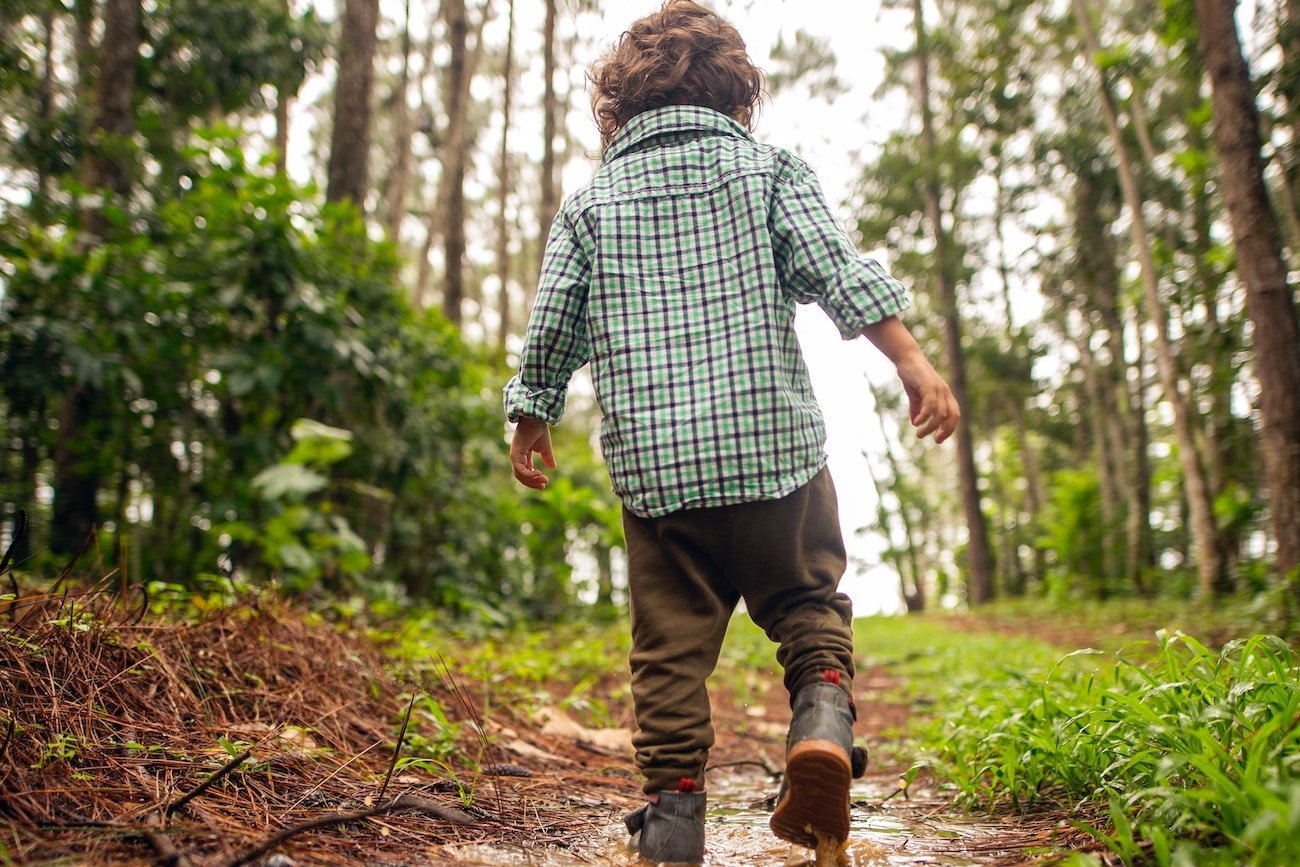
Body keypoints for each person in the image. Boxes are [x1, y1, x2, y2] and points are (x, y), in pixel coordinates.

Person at [503, 1, 959, 861]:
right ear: (737, 93)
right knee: (806, 603)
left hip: (661, 477)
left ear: (619, 105)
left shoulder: (591, 205)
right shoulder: (769, 170)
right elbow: (836, 269)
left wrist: (532, 413)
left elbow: (554, 320)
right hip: (773, 456)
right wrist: (911, 360)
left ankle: (674, 819)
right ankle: (821, 718)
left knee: (668, 652)